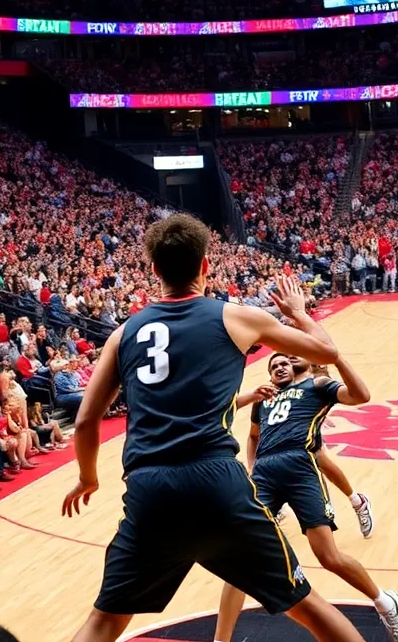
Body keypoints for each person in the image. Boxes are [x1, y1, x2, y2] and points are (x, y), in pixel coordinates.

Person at [61, 214, 366, 642]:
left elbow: (85, 421)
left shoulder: (123, 333)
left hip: (150, 488)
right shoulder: (237, 317)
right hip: (217, 480)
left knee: (104, 622)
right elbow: (326, 352)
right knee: (307, 606)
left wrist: (88, 477)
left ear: (154, 269)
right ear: (205, 265)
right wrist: (299, 313)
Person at [214, 353, 398, 642]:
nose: (280, 366)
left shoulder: (316, 385)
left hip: (300, 467)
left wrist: (335, 358)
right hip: (264, 474)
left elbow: (360, 395)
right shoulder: (263, 398)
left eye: (285, 363)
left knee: (328, 556)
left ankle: (384, 602)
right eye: (273, 365)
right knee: (240, 559)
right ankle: (221, 639)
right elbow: (252, 436)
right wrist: (253, 468)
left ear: (295, 368)